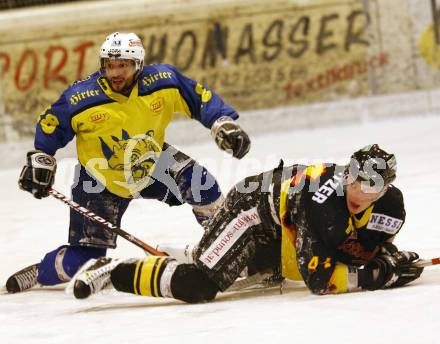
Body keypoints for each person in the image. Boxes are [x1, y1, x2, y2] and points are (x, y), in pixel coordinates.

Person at [5, 32, 250, 293]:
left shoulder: (163, 81)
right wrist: (42, 161)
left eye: (122, 65)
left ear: (138, 64)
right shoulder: (80, 97)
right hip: (99, 179)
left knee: (202, 185)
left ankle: (229, 248)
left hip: (151, 161)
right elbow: (51, 127)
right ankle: (40, 271)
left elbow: (199, 98)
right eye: (110, 66)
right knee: (81, 260)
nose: (115, 72)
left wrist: (222, 122)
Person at [71, 144, 424, 302]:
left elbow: (364, 247)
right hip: (254, 210)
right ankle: (114, 270)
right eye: (353, 177)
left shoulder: (391, 209)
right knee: (201, 285)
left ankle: (192, 252)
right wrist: (381, 274)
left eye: (370, 185)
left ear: (386, 188)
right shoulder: (324, 201)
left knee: (257, 271)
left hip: (284, 225)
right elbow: (319, 280)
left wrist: (388, 256)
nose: (357, 189)